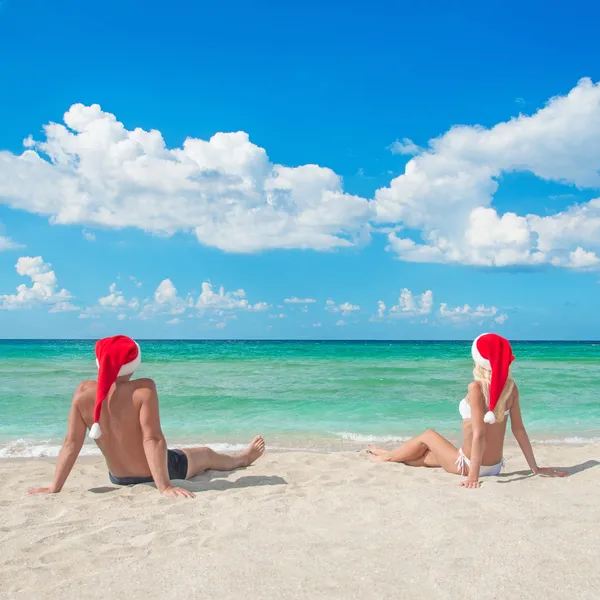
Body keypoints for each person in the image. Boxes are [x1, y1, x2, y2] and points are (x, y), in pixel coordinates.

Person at [28, 335, 265, 498]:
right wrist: (164, 486)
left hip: (118, 478)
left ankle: (238, 459)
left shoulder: (82, 392)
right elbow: (152, 439)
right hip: (159, 472)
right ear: (133, 364)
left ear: (99, 363)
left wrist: (54, 487)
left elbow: (71, 443)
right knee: (204, 454)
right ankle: (241, 460)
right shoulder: (143, 389)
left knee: (190, 454)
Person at [367, 333, 568, 488]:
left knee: (428, 436)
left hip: (470, 464)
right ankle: (390, 454)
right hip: (495, 467)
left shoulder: (476, 388)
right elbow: (519, 431)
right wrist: (535, 468)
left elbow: (479, 434)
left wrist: (473, 476)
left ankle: (387, 457)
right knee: (423, 457)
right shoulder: (511, 388)